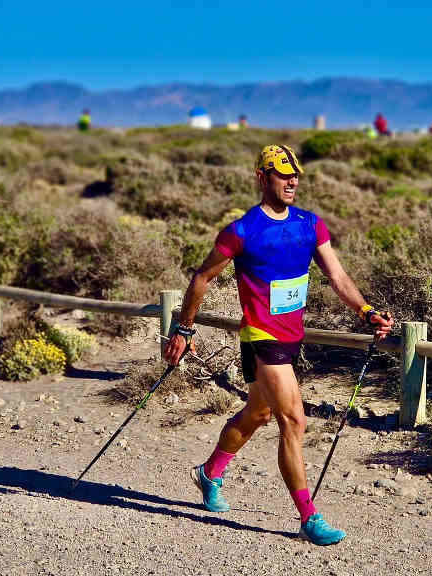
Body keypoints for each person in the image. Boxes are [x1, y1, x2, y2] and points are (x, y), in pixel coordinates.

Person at [163, 144, 394, 545]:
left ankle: (209, 473)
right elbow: (201, 279)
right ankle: (308, 518)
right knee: (294, 419)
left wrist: (366, 311)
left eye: (296, 174)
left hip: (291, 338)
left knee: (257, 415)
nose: (292, 181)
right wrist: (184, 330)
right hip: (260, 338)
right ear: (261, 178)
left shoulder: (310, 224)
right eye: (282, 174)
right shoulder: (242, 231)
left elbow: (338, 277)